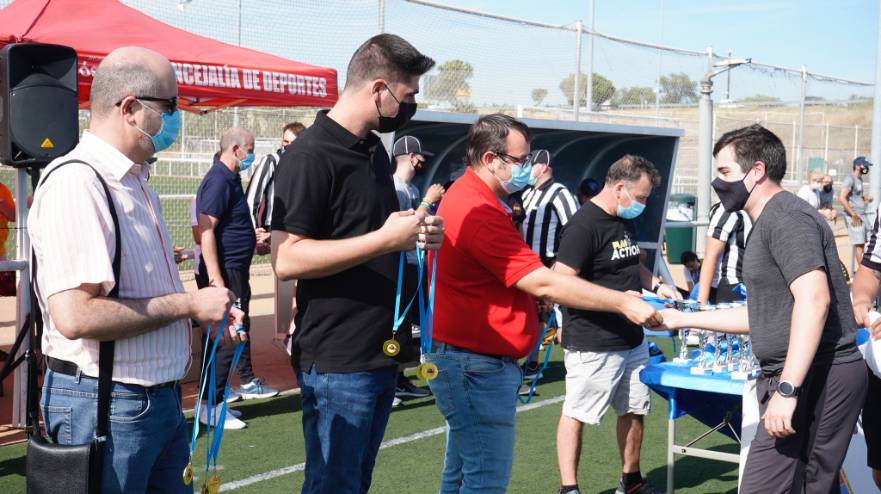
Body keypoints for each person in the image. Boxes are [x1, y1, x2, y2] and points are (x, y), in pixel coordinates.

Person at [27, 46, 239, 493]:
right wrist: (189, 305)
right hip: (106, 401)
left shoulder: (135, 182)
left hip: (151, 399)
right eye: (170, 106)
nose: (176, 119)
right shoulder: (78, 182)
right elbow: (76, 316)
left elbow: (137, 287)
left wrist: (201, 311)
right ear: (129, 108)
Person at [427, 113, 663, 493]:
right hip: (476, 363)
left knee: (461, 475)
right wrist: (622, 302)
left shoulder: (476, 198)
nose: (530, 167)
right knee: (484, 479)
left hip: (471, 358)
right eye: (521, 160)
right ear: (490, 159)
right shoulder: (478, 208)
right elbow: (546, 282)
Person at [270, 34, 443, 493]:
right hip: (338, 361)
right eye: (408, 95)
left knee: (354, 482)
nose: (411, 106)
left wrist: (416, 232)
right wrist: (384, 239)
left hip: (378, 351)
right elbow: (286, 258)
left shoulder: (372, 149)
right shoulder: (309, 156)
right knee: (334, 484)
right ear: (378, 89)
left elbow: (373, 233)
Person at [660, 124, 866, 494]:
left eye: (725, 172)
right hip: (804, 374)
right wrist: (682, 317)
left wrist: (787, 389)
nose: (719, 183)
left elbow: (814, 299)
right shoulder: (769, 219)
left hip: (818, 374)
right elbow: (763, 315)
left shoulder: (785, 217)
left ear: (757, 171)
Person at [554, 155, 677, 494]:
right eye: (641, 197)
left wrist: (656, 285)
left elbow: (629, 263)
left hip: (632, 338)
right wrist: (618, 301)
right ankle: (569, 488)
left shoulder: (623, 218)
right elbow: (561, 283)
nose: (643, 204)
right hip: (594, 340)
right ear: (619, 188)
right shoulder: (583, 225)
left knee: (635, 408)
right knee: (577, 412)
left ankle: (631, 480)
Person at [198, 127, 279, 429]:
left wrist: (250, 237)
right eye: (250, 149)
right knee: (229, 337)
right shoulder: (219, 179)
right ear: (236, 149)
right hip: (227, 273)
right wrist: (217, 280)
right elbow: (206, 230)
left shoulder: (230, 178)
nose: (252, 155)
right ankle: (212, 405)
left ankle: (214, 400)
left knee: (230, 336)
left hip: (235, 270)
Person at [390, 134, 444, 405]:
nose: (424, 161)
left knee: (411, 326)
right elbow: (400, 228)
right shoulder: (396, 188)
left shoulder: (409, 188)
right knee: (397, 325)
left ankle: (399, 379)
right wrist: (427, 202)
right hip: (399, 267)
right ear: (411, 157)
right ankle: (390, 383)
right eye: (421, 156)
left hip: (413, 263)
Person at [518, 149, 578, 384]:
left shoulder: (560, 193)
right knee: (532, 316)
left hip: (550, 264)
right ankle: (531, 363)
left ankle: (575, 367)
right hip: (528, 265)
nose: (525, 169)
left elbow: (575, 231)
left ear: (542, 167)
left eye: (529, 165)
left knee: (560, 315)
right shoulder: (527, 193)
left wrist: (560, 264)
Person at [245, 121, 306, 254]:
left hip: (294, 228)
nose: (287, 146)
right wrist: (252, 230)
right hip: (272, 226)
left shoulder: (305, 165)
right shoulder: (271, 160)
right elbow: (252, 197)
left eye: (293, 143)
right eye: (285, 141)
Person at [696, 198, 752, 305]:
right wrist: (701, 303)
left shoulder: (732, 208)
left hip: (734, 285)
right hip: (729, 285)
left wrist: (701, 304)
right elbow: (711, 255)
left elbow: (710, 255)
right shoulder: (729, 208)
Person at [840, 156, 874, 266]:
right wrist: (853, 214)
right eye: (865, 166)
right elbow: (842, 198)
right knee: (860, 245)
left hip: (861, 215)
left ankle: (867, 268)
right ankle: (862, 271)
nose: (866, 168)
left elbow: (855, 196)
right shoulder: (850, 179)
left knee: (869, 241)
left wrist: (865, 198)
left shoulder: (859, 179)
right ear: (858, 166)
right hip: (855, 217)